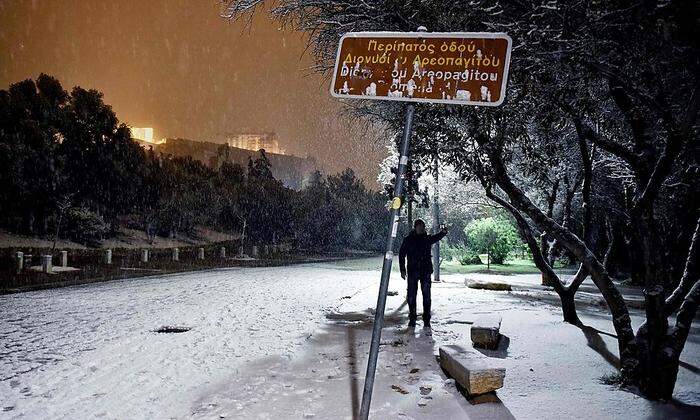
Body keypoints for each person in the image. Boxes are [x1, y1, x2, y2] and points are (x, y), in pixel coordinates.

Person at [399, 219, 448, 328]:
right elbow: (402, 254)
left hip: (425, 271)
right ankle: (412, 317)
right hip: (412, 270)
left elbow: (436, 237)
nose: (422, 229)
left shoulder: (427, 238)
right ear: (415, 227)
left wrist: (443, 233)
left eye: (423, 227)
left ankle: (426, 318)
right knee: (411, 296)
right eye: (420, 227)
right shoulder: (408, 240)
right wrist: (402, 269)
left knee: (426, 295)